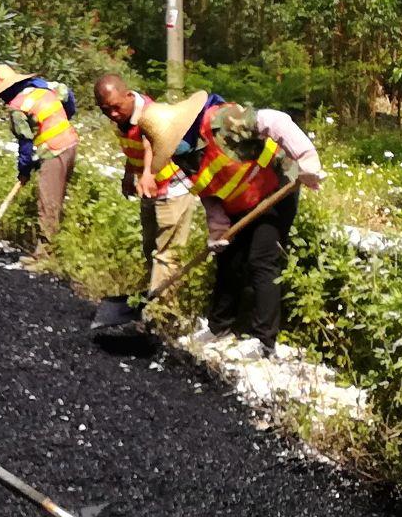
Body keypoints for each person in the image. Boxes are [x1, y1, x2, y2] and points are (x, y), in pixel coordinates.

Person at [138, 89, 325, 358]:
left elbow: (275, 120)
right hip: (238, 204)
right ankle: (219, 328)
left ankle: (263, 343)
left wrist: (306, 158)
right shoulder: (186, 156)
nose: (172, 150)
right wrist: (217, 229)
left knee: (262, 261)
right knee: (227, 260)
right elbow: (208, 193)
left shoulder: (221, 121)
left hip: (274, 192)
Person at [94, 73, 197, 297]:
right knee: (150, 247)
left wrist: (148, 173)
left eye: (116, 107)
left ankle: (163, 309)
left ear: (129, 95)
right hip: (149, 190)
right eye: (105, 110)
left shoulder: (149, 113)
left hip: (172, 188)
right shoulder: (121, 119)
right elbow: (133, 148)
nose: (112, 114)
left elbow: (150, 144)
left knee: (167, 253)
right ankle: (152, 296)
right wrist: (128, 173)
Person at [0, 63, 79, 247]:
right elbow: (68, 96)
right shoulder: (41, 86)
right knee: (57, 197)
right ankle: (55, 243)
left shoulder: (17, 107)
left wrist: (24, 167)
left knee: (47, 202)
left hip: (54, 150)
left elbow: (25, 142)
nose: (1, 97)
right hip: (70, 143)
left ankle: (45, 253)